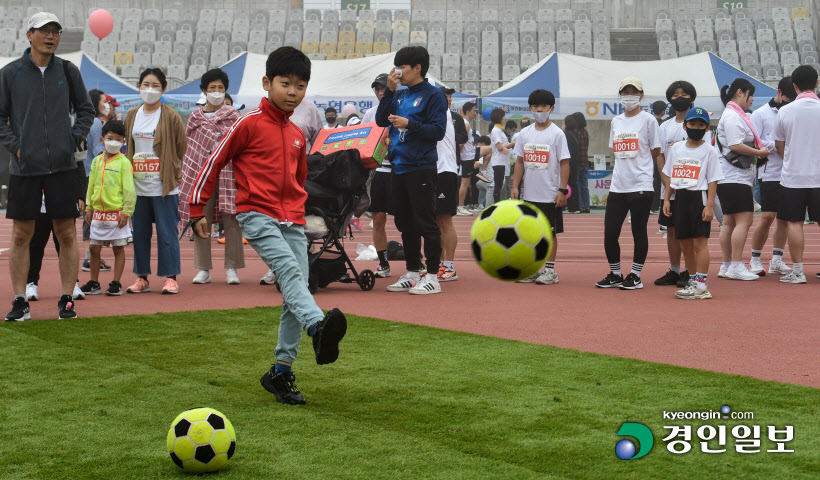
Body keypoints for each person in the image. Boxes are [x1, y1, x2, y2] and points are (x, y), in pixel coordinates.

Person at [189, 46, 347, 405]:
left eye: (301, 86)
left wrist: (307, 214)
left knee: (297, 288)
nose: (293, 92)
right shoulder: (246, 123)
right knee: (290, 273)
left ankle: (281, 372)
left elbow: (300, 177)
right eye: (285, 83)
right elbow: (213, 162)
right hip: (255, 214)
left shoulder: (296, 134)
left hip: (292, 218)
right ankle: (317, 327)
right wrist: (197, 208)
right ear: (267, 82)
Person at [0, 12, 95, 321]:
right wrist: (16, 147)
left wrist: (72, 141)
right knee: (21, 235)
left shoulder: (68, 71)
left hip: (63, 167)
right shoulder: (10, 73)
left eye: (55, 31)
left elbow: (85, 110)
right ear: (30, 34)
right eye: (44, 31)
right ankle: (19, 301)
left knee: (66, 232)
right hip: (24, 168)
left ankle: (67, 299)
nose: (51, 36)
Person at [376, 45, 447, 295]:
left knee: (426, 222)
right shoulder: (399, 94)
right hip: (399, 167)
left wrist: (410, 123)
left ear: (417, 68)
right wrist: (389, 92)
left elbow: (438, 131)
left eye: (401, 67)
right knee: (405, 222)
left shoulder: (434, 95)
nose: (397, 71)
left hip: (421, 167)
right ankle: (412, 272)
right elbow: (380, 120)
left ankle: (433, 277)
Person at [123, 68, 188, 294]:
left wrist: (170, 167)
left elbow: (181, 146)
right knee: (139, 234)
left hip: (164, 187)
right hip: (138, 187)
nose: (149, 89)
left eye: (155, 86)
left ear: (163, 89)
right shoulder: (131, 115)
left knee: (167, 234)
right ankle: (141, 278)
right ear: (139, 87)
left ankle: (170, 278)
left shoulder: (170, 116)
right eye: (145, 84)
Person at [179, 68, 245, 286]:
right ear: (204, 91)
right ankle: (203, 268)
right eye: (212, 88)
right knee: (201, 218)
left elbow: (240, 147)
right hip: (202, 175)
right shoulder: (195, 118)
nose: (216, 92)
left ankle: (232, 268)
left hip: (228, 173)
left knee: (232, 219)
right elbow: (191, 150)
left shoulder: (234, 117)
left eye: (220, 88)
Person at [596, 77, 661, 290]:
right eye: (625, 92)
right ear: (620, 95)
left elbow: (655, 150)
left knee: (638, 231)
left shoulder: (649, 120)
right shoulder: (616, 121)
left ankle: (635, 274)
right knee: (610, 232)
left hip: (641, 184)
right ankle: (615, 273)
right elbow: (615, 150)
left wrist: (641, 165)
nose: (629, 96)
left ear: (641, 96)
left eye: (634, 92)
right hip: (618, 185)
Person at [662, 107, 724, 299]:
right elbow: (671, 175)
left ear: (706, 128)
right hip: (680, 198)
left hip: (699, 198)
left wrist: (709, 205)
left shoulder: (710, 151)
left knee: (700, 243)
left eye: (700, 124)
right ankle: (692, 280)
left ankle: (701, 285)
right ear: (685, 125)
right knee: (685, 244)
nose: (696, 127)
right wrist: (666, 199)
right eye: (692, 124)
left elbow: (713, 179)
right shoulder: (677, 149)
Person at [511, 89, 570, 285]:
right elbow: (519, 162)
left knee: (550, 233)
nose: (540, 110)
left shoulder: (557, 134)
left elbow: (564, 163)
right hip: (530, 194)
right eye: (536, 106)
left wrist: (562, 189)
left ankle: (550, 271)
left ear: (551, 108)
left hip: (550, 194)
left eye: (544, 106)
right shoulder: (524, 134)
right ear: (530, 108)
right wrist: (515, 187)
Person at [654, 80, 709, 288]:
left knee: (692, 233)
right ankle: (675, 270)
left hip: (693, 190)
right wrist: (667, 181)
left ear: (692, 98)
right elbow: (660, 155)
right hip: (669, 190)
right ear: (669, 99)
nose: (680, 97)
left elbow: (705, 157)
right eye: (675, 94)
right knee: (672, 230)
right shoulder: (664, 126)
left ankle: (691, 272)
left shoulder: (699, 124)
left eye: (684, 94)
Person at [715, 78, 770, 281]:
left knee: (729, 222)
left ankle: (727, 265)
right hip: (734, 176)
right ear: (740, 92)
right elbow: (736, 144)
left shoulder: (733, 115)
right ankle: (736, 265)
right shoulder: (732, 117)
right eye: (750, 94)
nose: (752, 99)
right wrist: (760, 152)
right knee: (744, 220)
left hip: (730, 176)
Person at [773, 65, 820, 284]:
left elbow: (779, 144)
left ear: (794, 86)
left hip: (793, 176)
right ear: (817, 84)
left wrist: (792, 159)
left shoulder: (785, 110)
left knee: (794, 223)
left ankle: (799, 271)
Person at [80, 120, 135, 296]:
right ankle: (94, 283)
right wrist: (89, 207)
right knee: (94, 248)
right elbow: (91, 186)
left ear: (123, 142)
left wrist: (126, 212)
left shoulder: (124, 163)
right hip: (98, 213)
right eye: (110, 138)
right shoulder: (96, 161)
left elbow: (129, 190)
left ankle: (116, 283)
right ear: (102, 139)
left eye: (118, 140)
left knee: (118, 248)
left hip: (117, 214)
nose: (114, 142)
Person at [749, 76, 795, 277]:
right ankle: (754, 258)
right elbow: (754, 142)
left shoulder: (795, 111)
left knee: (785, 219)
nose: (789, 104)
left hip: (792, 171)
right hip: (770, 171)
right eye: (786, 99)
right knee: (767, 216)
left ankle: (777, 259)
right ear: (779, 93)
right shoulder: (760, 114)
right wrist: (777, 144)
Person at [361, 73, 393, 277]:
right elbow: (363, 140)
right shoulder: (370, 113)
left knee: (407, 221)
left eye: (383, 88)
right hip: (378, 172)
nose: (380, 92)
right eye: (377, 89)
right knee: (378, 218)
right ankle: (383, 264)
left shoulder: (402, 108)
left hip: (400, 170)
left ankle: (415, 264)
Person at [81, 89, 113, 273]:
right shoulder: (95, 122)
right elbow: (97, 150)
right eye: (103, 101)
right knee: (91, 214)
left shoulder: (86, 121)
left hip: (84, 173)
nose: (106, 104)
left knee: (89, 213)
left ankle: (92, 257)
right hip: (92, 174)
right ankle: (90, 257)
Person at [435, 95, 460, 282]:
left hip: (445, 170)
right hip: (432, 171)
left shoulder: (443, 113)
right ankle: (440, 264)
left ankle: (449, 266)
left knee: (444, 220)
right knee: (435, 221)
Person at [457, 101, 478, 216]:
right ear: (468, 111)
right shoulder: (465, 124)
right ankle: (460, 206)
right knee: (465, 183)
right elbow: (461, 143)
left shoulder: (465, 123)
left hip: (469, 156)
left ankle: (461, 206)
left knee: (466, 182)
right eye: (474, 111)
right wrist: (458, 158)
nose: (475, 113)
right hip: (466, 158)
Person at [489, 109, 511, 204]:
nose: (505, 118)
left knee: (500, 184)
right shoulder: (496, 131)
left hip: (502, 161)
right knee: (498, 185)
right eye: (503, 116)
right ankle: (495, 204)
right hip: (498, 161)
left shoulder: (500, 130)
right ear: (499, 117)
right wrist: (513, 143)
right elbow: (499, 147)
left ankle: (497, 203)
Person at [570, 112, 591, 213]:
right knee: (584, 185)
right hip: (585, 161)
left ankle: (581, 205)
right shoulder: (585, 132)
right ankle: (587, 205)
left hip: (577, 162)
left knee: (577, 184)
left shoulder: (575, 133)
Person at [563, 114, 581, 213]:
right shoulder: (576, 134)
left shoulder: (566, 135)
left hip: (567, 162)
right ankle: (574, 207)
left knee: (565, 184)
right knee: (573, 184)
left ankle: (567, 206)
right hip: (574, 162)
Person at [474, 136, 494, 208]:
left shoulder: (486, 153)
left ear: (483, 144)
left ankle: (482, 205)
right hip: (492, 179)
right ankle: (481, 204)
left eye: (479, 145)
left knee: (480, 183)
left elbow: (475, 165)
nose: (478, 147)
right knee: (479, 183)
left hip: (490, 181)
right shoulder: (493, 150)